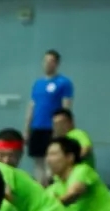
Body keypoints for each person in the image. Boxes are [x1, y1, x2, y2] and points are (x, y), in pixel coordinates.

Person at [24, 50, 73, 183]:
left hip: (52, 128)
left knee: (51, 160)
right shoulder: (37, 84)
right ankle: (40, 187)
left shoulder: (64, 83)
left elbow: (66, 106)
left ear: (57, 64)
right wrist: (27, 129)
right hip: (37, 127)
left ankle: (51, 186)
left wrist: (64, 129)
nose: (47, 64)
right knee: (38, 160)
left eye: (51, 61)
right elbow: (32, 106)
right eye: (45, 60)